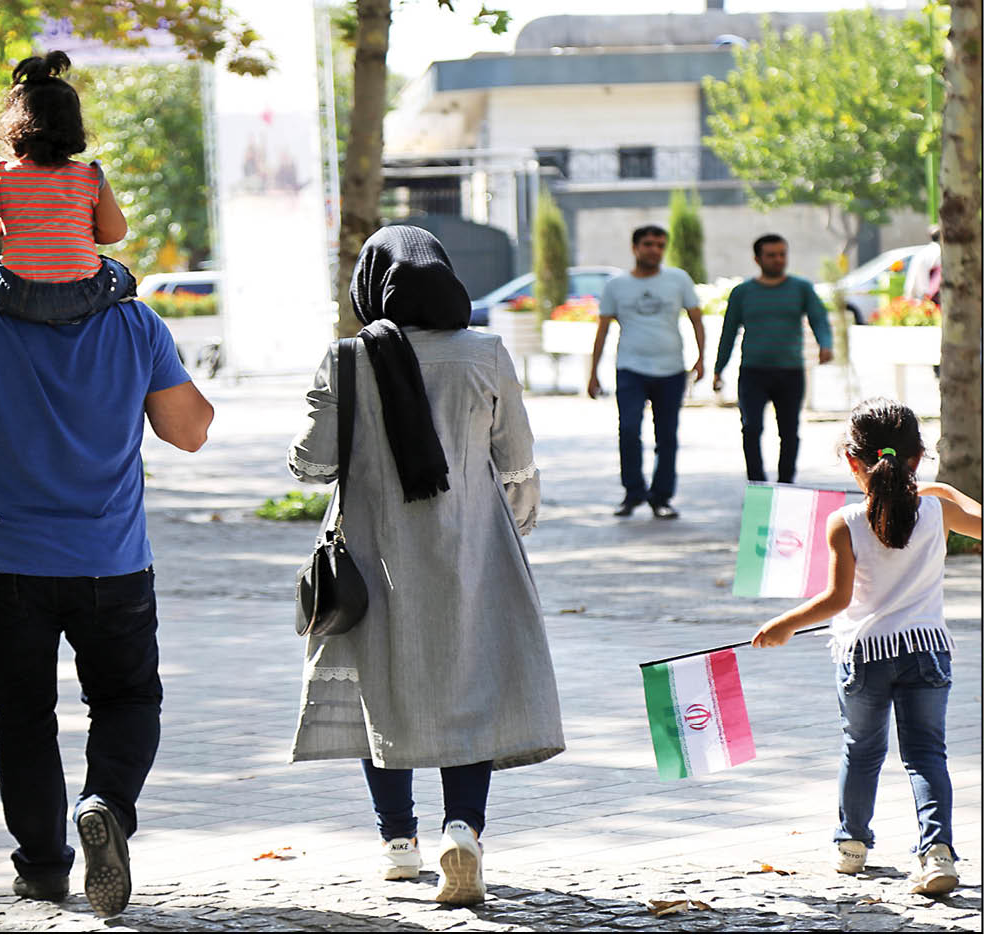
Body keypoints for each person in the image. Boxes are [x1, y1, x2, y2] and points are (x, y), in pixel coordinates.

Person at [0, 279, 213, 918]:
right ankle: (107, 805)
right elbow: (191, 431)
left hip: (8, 564)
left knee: (21, 715)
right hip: (111, 563)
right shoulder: (137, 325)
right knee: (126, 698)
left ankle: (42, 868)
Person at [287, 225, 564, 906]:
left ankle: (399, 843)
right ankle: (462, 831)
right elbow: (517, 460)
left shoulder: (347, 359)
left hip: (373, 553)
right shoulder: (486, 352)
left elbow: (312, 463)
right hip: (472, 547)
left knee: (378, 686)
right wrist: (514, 522)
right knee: (469, 681)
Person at [752, 398, 981, 897]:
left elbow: (835, 599)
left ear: (853, 463)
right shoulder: (937, 512)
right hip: (926, 651)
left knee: (861, 752)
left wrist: (784, 625)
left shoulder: (846, 522)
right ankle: (937, 853)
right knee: (926, 756)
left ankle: (852, 846)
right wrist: (943, 490)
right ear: (918, 458)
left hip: (865, 655)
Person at [0, 51, 137, 325]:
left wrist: (10, 226)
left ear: (12, 124)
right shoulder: (91, 176)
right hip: (82, 294)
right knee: (118, 272)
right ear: (74, 126)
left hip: (18, 294)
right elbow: (115, 233)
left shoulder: (0, 174)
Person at [587, 225, 705, 519]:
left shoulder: (678, 279)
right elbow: (602, 330)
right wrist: (593, 373)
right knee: (628, 429)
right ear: (635, 248)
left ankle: (661, 497)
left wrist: (702, 359)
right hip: (630, 368)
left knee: (667, 435)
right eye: (649, 244)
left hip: (671, 369)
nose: (655, 250)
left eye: (660, 245)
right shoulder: (616, 286)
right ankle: (633, 492)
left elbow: (696, 320)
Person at [712, 234, 833, 485]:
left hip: (790, 372)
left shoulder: (800, 288)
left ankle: (786, 485)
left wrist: (826, 343)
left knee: (789, 432)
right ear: (757, 259)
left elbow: (819, 318)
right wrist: (718, 369)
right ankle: (757, 484)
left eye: (782, 254)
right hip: (753, 372)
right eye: (771, 255)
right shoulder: (743, 292)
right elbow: (729, 332)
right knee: (751, 428)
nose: (778, 260)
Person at [903, 226, 942, 306]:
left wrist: (908, 296)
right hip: (940, 297)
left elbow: (912, 277)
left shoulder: (921, 254)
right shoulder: (944, 253)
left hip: (924, 298)